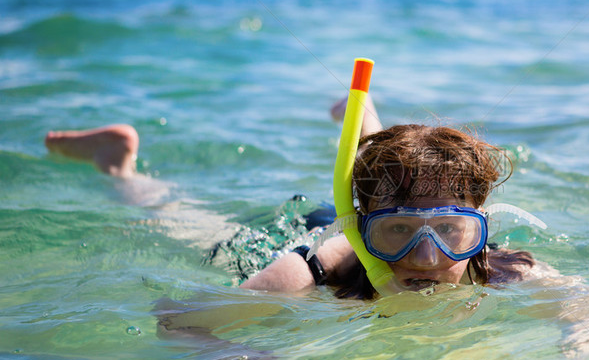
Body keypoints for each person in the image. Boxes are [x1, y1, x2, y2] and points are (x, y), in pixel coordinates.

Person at [44, 95, 553, 299]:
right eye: (400, 233)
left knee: (394, 183)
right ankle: (118, 166)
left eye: (449, 232)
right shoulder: (309, 270)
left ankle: (365, 120)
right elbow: (178, 318)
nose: (424, 258)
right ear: (362, 226)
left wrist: (582, 351)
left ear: (478, 229)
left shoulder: (496, 266)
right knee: (187, 229)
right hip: (313, 234)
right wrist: (235, 356)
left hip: (373, 216)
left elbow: (578, 304)